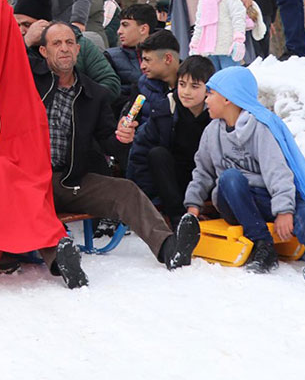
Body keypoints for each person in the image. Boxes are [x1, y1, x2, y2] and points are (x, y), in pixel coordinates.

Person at [33, 23, 201, 288]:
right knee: (30, 200)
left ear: (78, 49)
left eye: (69, 43)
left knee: (126, 190)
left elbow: (109, 144)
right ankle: (61, 259)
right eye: (56, 44)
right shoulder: (29, 80)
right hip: (30, 180)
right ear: (43, 51)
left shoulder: (93, 93)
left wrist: (122, 137)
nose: (64, 49)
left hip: (70, 179)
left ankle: (169, 247)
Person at [186, 67, 305, 288]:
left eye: (211, 93)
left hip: (263, 197)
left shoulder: (260, 128)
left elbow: (277, 171)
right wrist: (193, 205)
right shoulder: (212, 132)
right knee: (230, 178)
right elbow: (202, 172)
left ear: (228, 98)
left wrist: (284, 210)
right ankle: (262, 245)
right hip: (233, 200)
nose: (206, 99)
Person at [119, 39, 214, 222]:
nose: (186, 92)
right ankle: (179, 219)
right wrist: (143, 196)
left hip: (206, 179)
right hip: (173, 181)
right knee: (157, 154)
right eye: (182, 84)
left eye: (194, 87)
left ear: (208, 89)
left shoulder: (215, 115)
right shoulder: (166, 109)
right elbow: (140, 152)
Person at [16, 0, 121, 99]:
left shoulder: (81, 45)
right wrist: (25, 44)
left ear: (44, 24)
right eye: (17, 25)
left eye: (27, 25)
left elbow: (111, 83)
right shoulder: (16, 49)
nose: (21, 31)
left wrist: (78, 101)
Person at [189, 0, 248, 70]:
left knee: (229, 77)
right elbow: (200, 25)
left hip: (227, 47)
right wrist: (195, 44)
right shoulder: (203, 1)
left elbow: (238, 18)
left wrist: (238, 40)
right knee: (214, 79)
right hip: (209, 49)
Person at [105, 3, 157, 103]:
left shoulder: (164, 54)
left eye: (125, 25)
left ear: (143, 29)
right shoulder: (110, 57)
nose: (119, 31)